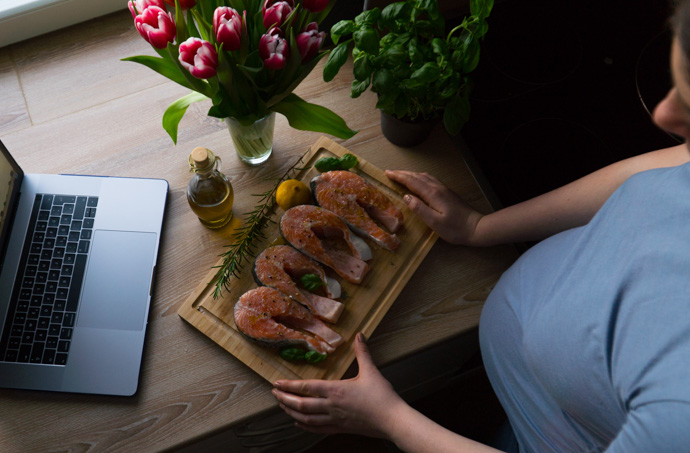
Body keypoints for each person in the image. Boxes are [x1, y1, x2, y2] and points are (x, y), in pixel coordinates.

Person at [271, 1, 690, 451]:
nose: (661, 116)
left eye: (687, 103)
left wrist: (390, 420)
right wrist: (479, 227)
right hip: (543, 392)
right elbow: (657, 170)